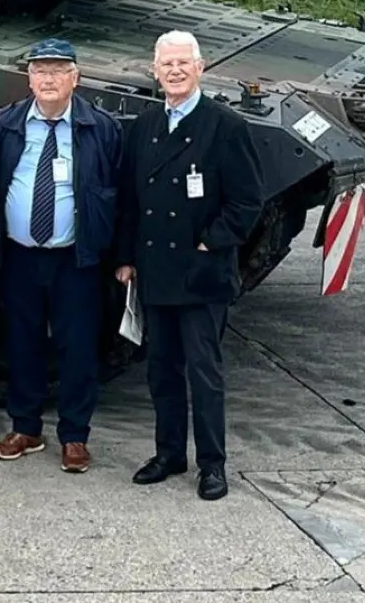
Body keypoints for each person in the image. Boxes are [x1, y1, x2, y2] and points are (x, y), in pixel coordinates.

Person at [116, 30, 264, 501]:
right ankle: (169, 453)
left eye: (183, 63)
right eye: (166, 64)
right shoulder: (143, 128)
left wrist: (209, 244)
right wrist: (125, 257)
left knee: (204, 373)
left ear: (200, 68)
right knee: (161, 370)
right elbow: (128, 200)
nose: (175, 71)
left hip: (202, 272)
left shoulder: (224, 126)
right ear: (155, 72)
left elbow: (247, 201)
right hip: (156, 269)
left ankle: (212, 464)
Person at [0, 39, 122, 473]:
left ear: (75, 78)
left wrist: (118, 254)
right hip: (19, 253)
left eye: (58, 70)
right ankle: (25, 427)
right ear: (29, 78)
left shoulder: (100, 128)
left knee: (77, 346)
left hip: (74, 257)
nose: (48, 78)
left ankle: (75, 435)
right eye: (40, 70)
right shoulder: (6, 125)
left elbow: (119, 194)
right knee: (22, 342)